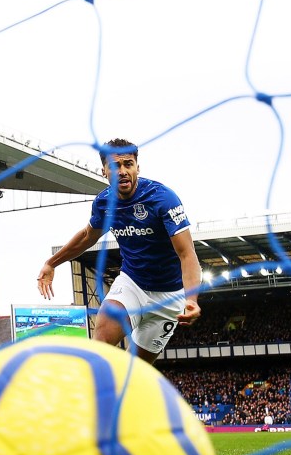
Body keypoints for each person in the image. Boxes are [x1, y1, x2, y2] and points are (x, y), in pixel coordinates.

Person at [36, 138, 201, 364]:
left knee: (136, 370)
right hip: (132, 284)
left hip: (169, 297)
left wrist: (191, 299)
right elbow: (87, 236)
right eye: (115, 166)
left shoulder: (163, 199)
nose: (122, 171)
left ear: (137, 168)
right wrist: (51, 262)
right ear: (104, 171)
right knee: (100, 344)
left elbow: (187, 254)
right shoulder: (104, 203)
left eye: (128, 164)